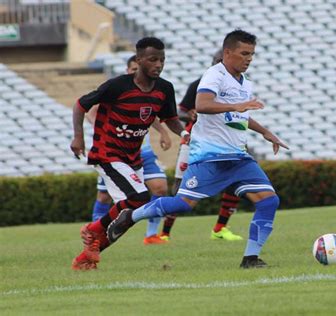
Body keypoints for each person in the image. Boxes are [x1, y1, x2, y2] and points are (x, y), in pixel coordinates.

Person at [107, 29, 289, 269]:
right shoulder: (214, 75)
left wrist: (264, 131)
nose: (249, 59)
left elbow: (237, 115)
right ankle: (131, 216)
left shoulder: (245, 83)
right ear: (227, 52)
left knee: (269, 201)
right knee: (182, 204)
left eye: (252, 54)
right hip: (210, 157)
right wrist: (238, 104)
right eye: (244, 53)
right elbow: (201, 105)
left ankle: (250, 258)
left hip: (238, 157)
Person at [70, 37, 188, 270]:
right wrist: (78, 137)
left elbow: (171, 119)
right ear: (140, 59)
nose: (159, 64)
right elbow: (80, 104)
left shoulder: (164, 88)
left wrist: (184, 134)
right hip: (107, 153)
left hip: (133, 157)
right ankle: (93, 229)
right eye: (153, 59)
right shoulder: (117, 86)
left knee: (131, 212)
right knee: (140, 198)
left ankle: (88, 256)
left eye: (162, 60)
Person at [152, 49, 243, 244]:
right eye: (218, 61)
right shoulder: (201, 84)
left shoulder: (236, 87)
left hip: (225, 143)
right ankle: (165, 232)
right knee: (180, 188)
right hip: (196, 143)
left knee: (235, 182)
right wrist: (190, 116)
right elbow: (179, 112)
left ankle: (220, 228)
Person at [87, 55, 174, 245]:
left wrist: (163, 132)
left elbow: (151, 115)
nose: (137, 72)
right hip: (115, 153)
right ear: (128, 70)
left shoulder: (152, 91)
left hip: (143, 153)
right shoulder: (118, 88)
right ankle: (95, 232)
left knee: (160, 188)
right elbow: (91, 111)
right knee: (104, 195)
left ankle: (151, 235)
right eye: (133, 69)